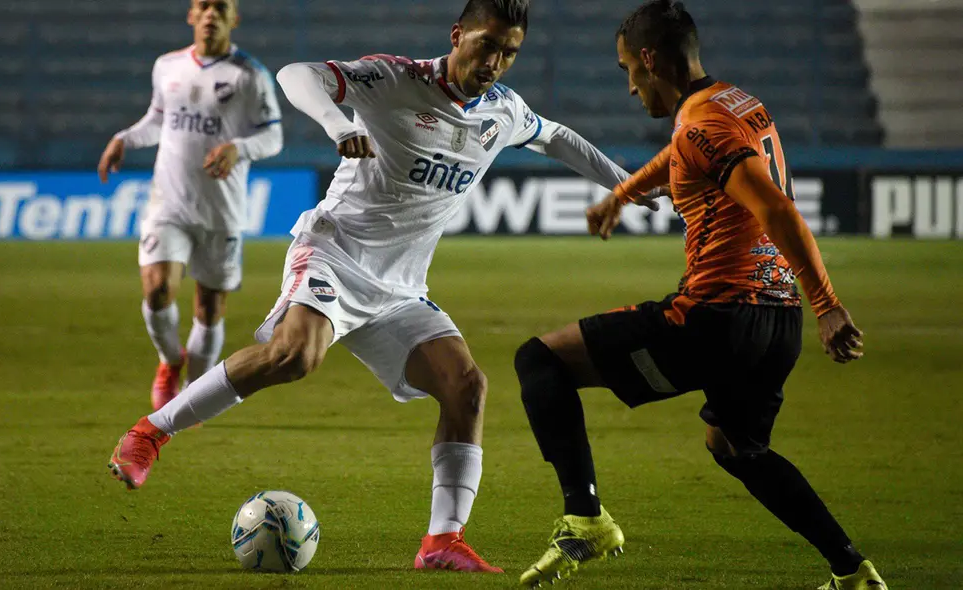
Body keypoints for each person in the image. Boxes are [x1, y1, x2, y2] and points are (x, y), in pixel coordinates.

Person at [107, 0, 657, 573]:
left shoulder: (503, 111)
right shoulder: (396, 78)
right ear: (457, 36)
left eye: (509, 52)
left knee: (466, 387)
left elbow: (558, 138)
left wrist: (628, 185)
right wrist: (340, 123)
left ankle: (441, 541)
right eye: (486, 44)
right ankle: (150, 432)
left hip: (400, 288)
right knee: (294, 357)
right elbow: (300, 76)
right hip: (335, 252)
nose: (495, 61)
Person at [515, 2, 887, 588]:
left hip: (717, 318)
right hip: (775, 325)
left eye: (626, 71)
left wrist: (831, 305)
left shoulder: (700, 125)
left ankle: (584, 519)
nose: (630, 88)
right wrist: (624, 191)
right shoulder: (733, 103)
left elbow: (776, 208)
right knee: (737, 447)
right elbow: (683, 156)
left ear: (648, 60)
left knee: (539, 358)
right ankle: (852, 571)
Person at [98, 0, 283, 410]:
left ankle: (196, 391)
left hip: (222, 209)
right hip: (168, 203)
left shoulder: (250, 75)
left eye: (220, 7)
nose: (210, 14)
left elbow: (273, 137)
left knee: (209, 307)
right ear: (191, 16)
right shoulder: (168, 66)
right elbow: (159, 119)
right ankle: (169, 363)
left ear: (234, 18)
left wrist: (239, 147)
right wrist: (124, 139)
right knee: (159, 288)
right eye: (203, 6)